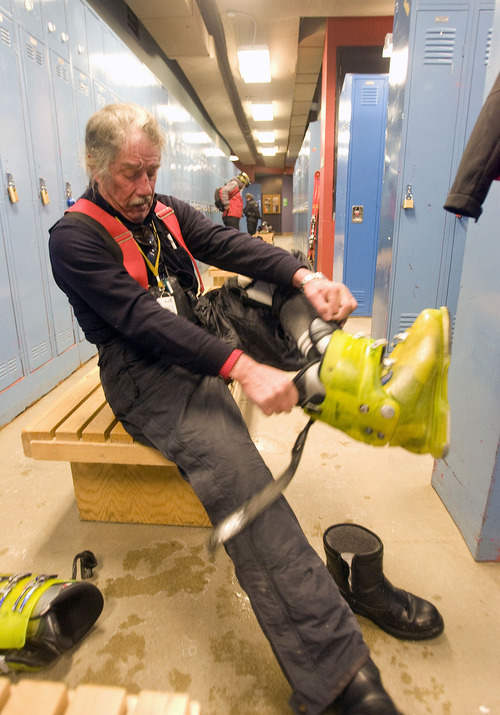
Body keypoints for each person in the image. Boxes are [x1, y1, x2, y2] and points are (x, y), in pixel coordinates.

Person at [49, 103, 449, 714]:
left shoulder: (162, 211)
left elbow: (227, 243)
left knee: (281, 292)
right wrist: (241, 368)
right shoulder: (74, 238)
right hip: (144, 371)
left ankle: (383, 393)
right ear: (96, 165)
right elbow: (136, 321)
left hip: (194, 323)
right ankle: (336, 679)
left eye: (152, 172)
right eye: (131, 174)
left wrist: (305, 275)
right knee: (245, 483)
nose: (144, 188)